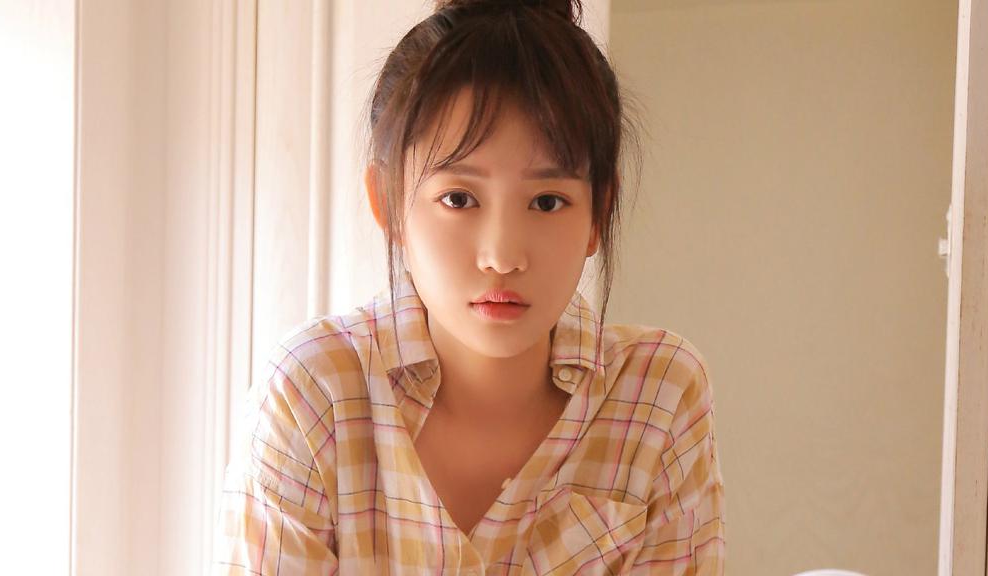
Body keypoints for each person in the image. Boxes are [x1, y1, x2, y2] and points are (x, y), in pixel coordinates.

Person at [214, 0, 726, 573]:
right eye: (459, 199)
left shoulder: (658, 394)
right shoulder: (314, 395)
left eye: (547, 201)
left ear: (597, 216)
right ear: (389, 203)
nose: (502, 256)